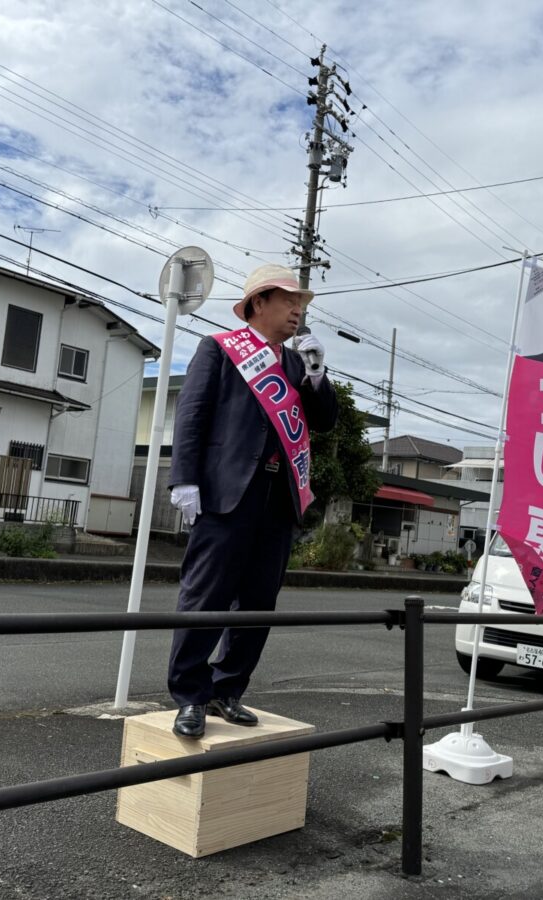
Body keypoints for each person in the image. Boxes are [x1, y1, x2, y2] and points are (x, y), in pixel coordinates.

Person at [166, 263, 339, 738]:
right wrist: (185, 480)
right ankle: (191, 696)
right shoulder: (220, 349)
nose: (297, 313)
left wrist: (318, 375)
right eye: (290, 302)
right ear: (259, 302)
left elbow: (324, 421)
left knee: (259, 600)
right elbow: (193, 415)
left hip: (278, 496)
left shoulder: (296, 363)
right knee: (206, 596)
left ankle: (228, 689)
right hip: (225, 493)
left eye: (301, 305)